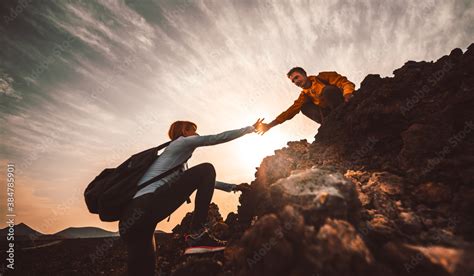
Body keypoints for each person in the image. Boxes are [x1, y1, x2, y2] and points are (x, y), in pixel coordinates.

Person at [119, 119, 262, 275]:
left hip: (132, 220)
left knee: (143, 271)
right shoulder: (182, 142)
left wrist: (232, 187)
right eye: (193, 130)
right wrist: (250, 129)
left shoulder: (175, 160)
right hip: (146, 205)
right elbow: (216, 138)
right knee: (207, 168)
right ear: (184, 132)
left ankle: (196, 236)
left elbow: (204, 181)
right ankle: (197, 234)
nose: (197, 133)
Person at [257, 67, 355, 134]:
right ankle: (330, 124)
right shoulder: (303, 96)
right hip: (330, 114)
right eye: (293, 81)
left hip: (342, 103)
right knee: (304, 107)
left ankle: (344, 115)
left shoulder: (322, 77)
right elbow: (290, 112)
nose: (296, 82)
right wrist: (270, 125)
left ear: (304, 74)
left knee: (327, 91)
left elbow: (343, 82)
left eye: (296, 77)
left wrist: (347, 94)